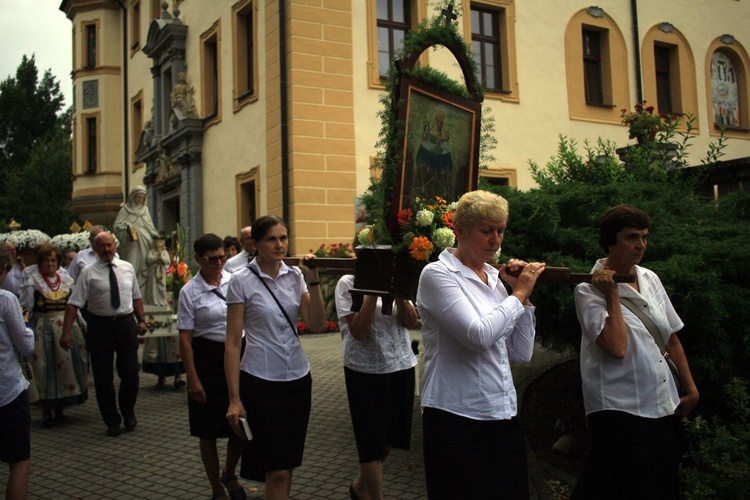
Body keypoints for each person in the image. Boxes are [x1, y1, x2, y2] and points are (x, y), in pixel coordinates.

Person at [416, 190, 546, 499]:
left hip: (500, 412)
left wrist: (523, 299)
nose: (496, 239)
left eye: (500, 231)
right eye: (486, 230)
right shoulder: (437, 275)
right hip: (455, 415)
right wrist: (518, 295)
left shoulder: (493, 277)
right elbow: (477, 336)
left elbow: (521, 352)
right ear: (460, 230)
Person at [570, 205, 699, 500]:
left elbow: (670, 337)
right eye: (631, 237)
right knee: (615, 486)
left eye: (644, 237)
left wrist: (690, 388)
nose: (640, 245)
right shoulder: (587, 290)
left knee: (660, 486)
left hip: (661, 403)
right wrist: (612, 293)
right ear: (610, 241)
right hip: (618, 407)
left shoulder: (650, 278)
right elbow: (616, 347)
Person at [225, 215, 326, 499]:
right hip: (260, 380)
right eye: (271, 239)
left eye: (283, 238)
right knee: (276, 469)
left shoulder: (295, 277)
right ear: (255, 244)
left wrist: (313, 279)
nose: (279, 244)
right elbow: (233, 342)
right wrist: (234, 398)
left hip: (297, 379)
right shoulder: (240, 281)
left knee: (288, 464)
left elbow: (316, 324)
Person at [335, 268, 419, 500]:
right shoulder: (348, 283)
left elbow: (411, 322)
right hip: (365, 370)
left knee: (392, 438)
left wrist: (400, 293)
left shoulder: (395, 278)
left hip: (401, 364)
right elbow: (359, 331)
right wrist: (371, 290)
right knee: (371, 442)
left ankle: (361, 487)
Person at [178, 234, 247, 500]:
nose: (219, 263)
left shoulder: (235, 281)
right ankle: (216, 487)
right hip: (207, 359)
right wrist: (192, 379)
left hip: (238, 357)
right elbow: (185, 339)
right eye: (212, 259)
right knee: (207, 430)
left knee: (241, 423)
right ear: (197, 259)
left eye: (222, 257)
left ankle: (229, 472)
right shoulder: (190, 292)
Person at [61, 232, 148, 437]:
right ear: (96, 250)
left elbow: (136, 296)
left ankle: (128, 410)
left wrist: (141, 319)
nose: (107, 250)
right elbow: (74, 304)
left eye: (109, 245)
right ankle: (112, 420)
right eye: (102, 247)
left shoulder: (127, 268)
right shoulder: (88, 273)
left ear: (115, 246)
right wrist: (66, 333)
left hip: (126, 324)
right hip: (100, 326)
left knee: (130, 372)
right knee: (103, 377)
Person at [20, 244, 88, 427]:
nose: (50, 264)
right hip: (43, 328)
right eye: (45, 260)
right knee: (45, 367)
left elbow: (75, 307)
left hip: (67, 326)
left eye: (53, 260)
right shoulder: (33, 282)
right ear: (40, 262)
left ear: (58, 262)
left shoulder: (66, 280)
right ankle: (47, 407)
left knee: (67, 366)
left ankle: (61, 405)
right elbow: (25, 307)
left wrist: (83, 325)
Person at [0, 245, 35, 500]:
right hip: (8, 390)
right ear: (4, 268)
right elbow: (25, 344)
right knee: (19, 462)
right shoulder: (6, 300)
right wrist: (24, 324)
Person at [142, 236, 185, 389]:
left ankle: (178, 375)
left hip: (171, 304)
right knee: (158, 338)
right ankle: (161, 376)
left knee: (174, 342)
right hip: (157, 297)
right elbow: (149, 260)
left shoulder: (177, 267)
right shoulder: (152, 253)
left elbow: (168, 264)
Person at [114, 185, 160, 292]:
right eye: (138, 197)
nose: (139, 200)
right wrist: (125, 228)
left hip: (145, 242)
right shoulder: (125, 210)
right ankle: (128, 290)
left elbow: (150, 227)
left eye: (142, 198)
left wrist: (157, 237)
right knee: (131, 266)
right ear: (133, 197)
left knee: (145, 266)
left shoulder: (145, 210)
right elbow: (116, 226)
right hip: (132, 243)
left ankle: (142, 292)